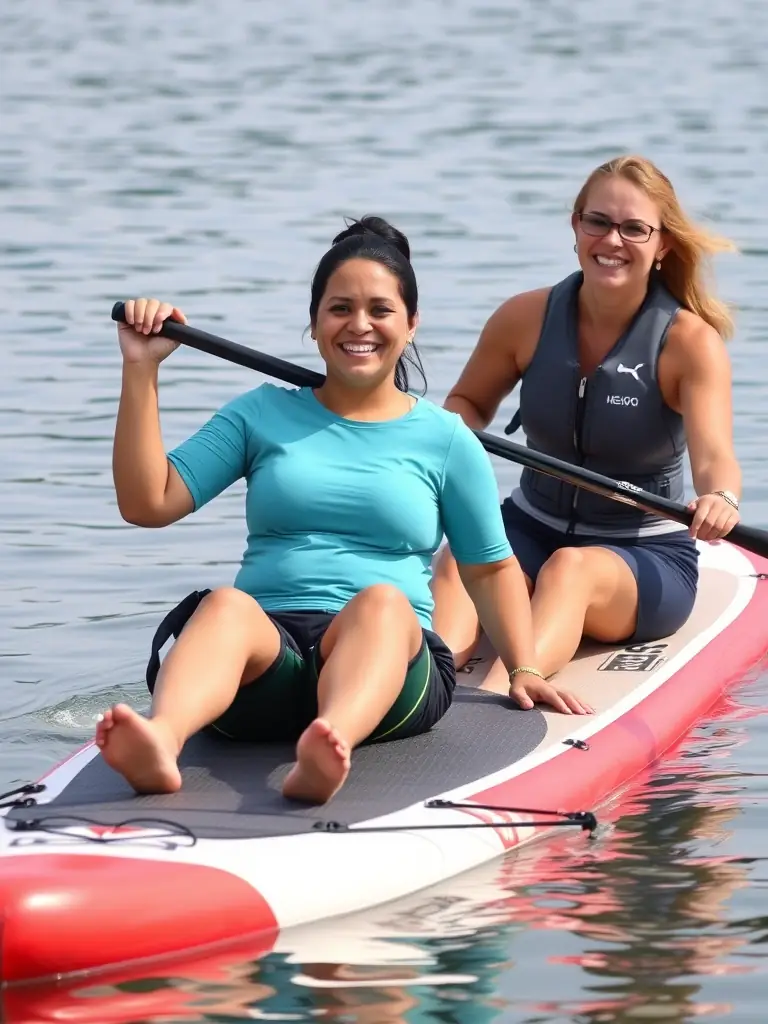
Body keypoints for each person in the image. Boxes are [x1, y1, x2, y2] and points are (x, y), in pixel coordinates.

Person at [96, 216, 592, 806]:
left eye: (381, 310)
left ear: (411, 325)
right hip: (267, 661)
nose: (360, 325)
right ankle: (162, 738)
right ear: (313, 324)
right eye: (339, 309)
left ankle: (331, 742)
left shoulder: (446, 438)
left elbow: (488, 569)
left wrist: (524, 668)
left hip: (391, 668)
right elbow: (147, 503)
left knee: (381, 601)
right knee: (224, 604)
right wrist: (141, 368)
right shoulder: (259, 414)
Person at [431, 155, 742, 680]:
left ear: (662, 244)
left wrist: (721, 499)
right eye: (597, 221)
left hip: (643, 552)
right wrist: (448, 438)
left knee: (568, 571)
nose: (612, 241)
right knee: (459, 560)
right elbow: (468, 404)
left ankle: (513, 688)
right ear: (575, 225)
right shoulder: (523, 318)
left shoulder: (689, 344)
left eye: (634, 229)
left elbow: (716, 460)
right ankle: (423, 681)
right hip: (528, 524)